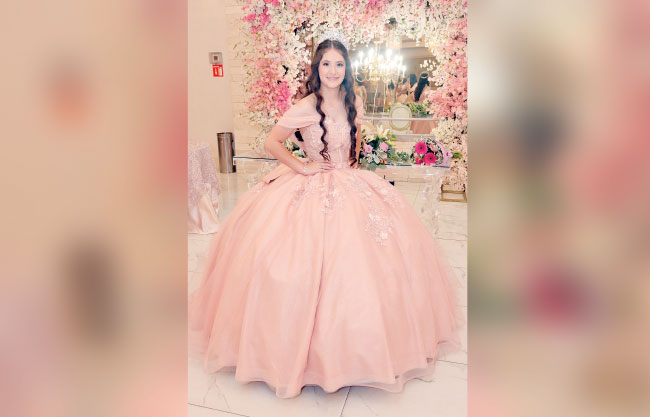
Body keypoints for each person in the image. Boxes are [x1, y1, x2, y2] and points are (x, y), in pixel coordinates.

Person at [189, 31, 460, 399]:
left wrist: (355, 167)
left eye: (339, 64)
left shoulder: (354, 100)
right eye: (326, 64)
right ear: (317, 68)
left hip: (349, 180)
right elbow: (272, 142)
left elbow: (354, 143)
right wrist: (301, 167)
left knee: (376, 259)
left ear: (347, 68)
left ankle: (362, 349)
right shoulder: (305, 106)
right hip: (311, 181)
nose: (333, 70)